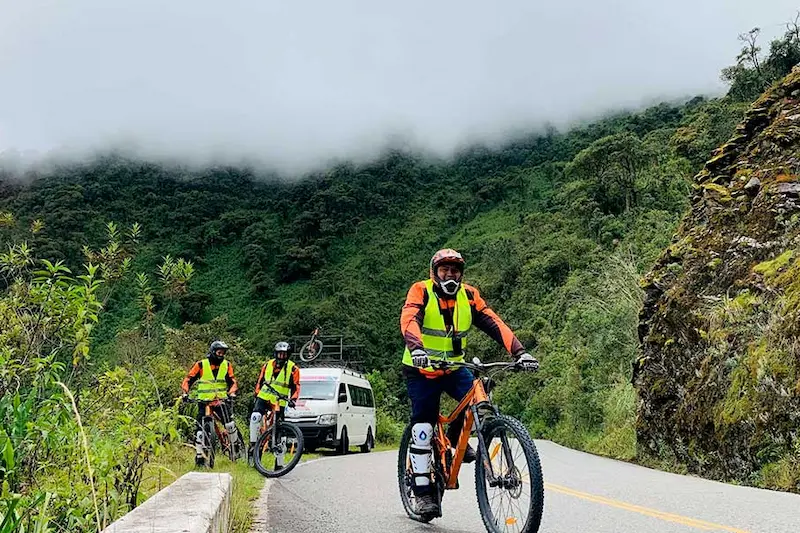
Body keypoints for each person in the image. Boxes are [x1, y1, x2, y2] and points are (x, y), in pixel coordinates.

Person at [400, 248, 539, 516]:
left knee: (479, 396)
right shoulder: (421, 291)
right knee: (423, 428)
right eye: (444, 270)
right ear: (435, 273)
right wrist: (417, 349)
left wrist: (520, 352)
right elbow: (409, 320)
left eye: (455, 271)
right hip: (421, 370)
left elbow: (494, 323)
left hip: (453, 367)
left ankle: (456, 444)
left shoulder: (469, 295)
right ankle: (422, 493)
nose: (450, 275)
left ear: (461, 274)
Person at [181, 340, 239, 466]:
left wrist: (232, 393)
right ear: (213, 352)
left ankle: (235, 448)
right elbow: (188, 379)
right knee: (200, 429)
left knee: (229, 424)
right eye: (219, 352)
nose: (221, 355)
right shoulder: (201, 365)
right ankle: (199, 456)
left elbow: (233, 382)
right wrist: (185, 393)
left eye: (223, 353)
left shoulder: (227, 365)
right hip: (203, 401)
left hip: (220, 400)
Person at [248, 341, 301, 464]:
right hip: (264, 397)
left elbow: (296, 387)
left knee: (280, 430)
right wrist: (256, 393)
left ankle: (279, 462)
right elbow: (260, 381)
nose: (281, 357)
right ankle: (253, 444)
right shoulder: (267, 365)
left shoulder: (293, 369)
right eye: (279, 354)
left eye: (284, 354)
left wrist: (293, 400)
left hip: (280, 401)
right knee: (255, 417)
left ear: (288, 355)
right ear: (275, 353)